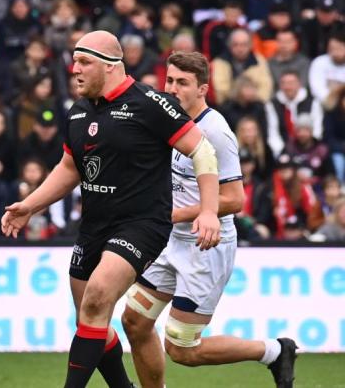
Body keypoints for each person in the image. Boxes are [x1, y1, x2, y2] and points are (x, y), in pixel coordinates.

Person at [1, 31, 222, 388]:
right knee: (90, 320)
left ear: (111, 66)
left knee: (97, 297)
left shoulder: (151, 103)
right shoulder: (79, 110)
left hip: (141, 224)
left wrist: (208, 210)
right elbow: (69, 168)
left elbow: (203, 151)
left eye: (84, 62)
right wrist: (31, 205)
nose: (75, 69)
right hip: (94, 226)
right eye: (74, 61)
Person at [120, 51, 297, 388]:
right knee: (135, 322)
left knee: (182, 348)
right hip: (167, 240)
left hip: (204, 248)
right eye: (169, 80)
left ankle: (274, 351)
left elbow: (234, 200)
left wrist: (175, 213)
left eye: (182, 83)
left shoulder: (215, 132)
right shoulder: (165, 120)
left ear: (202, 89)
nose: (172, 89)